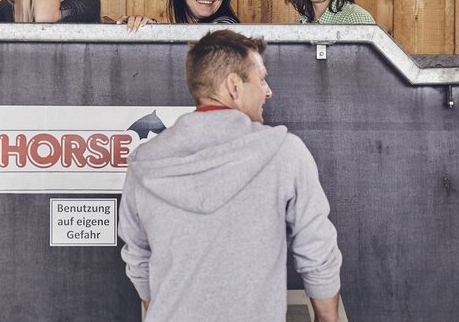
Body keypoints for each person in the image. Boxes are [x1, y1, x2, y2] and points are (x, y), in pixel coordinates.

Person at [118, 29, 342, 322]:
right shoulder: (284, 152)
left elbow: (138, 259)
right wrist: (329, 319)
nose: (268, 90)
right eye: (261, 79)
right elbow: (316, 249)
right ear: (234, 86)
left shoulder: (143, 163)